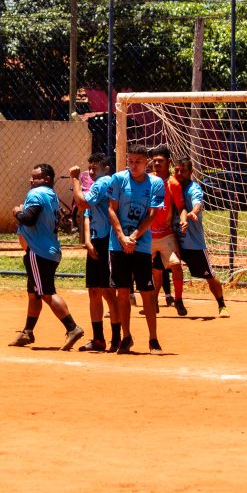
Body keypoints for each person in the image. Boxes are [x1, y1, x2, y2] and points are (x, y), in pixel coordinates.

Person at [9, 163, 85, 351]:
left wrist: (17, 212)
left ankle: (72, 328)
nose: (31, 180)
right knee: (34, 293)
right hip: (47, 250)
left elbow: (28, 218)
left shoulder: (36, 194)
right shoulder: (52, 196)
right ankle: (27, 332)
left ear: (47, 179)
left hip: (39, 251)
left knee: (46, 293)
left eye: (35, 177)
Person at [107, 144, 165, 355]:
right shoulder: (118, 179)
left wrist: (134, 237)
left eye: (138, 162)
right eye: (130, 161)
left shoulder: (156, 183)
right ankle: (126, 336)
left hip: (141, 244)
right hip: (118, 244)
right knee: (122, 291)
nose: (133, 166)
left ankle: (153, 339)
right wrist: (122, 237)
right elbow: (111, 209)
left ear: (146, 162)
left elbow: (152, 215)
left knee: (147, 292)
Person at [69, 153, 117, 352]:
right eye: (89, 168)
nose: (90, 171)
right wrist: (88, 241)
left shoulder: (104, 182)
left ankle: (117, 338)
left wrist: (75, 177)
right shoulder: (96, 186)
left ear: (106, 168)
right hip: (97, 240)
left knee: (108, 291)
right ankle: (99, 339)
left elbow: (82, 203)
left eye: (94, 167)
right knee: (95, 291)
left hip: (107, 240)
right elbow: (87, 214)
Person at [172, 157, 228, 315]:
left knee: (209, 275)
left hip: (193, 244)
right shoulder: (171, 186)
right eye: (177, 170)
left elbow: (198, 203)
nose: (179, 173)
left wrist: (193, 213)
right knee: (157, 267)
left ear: (191, 172)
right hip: (174, 240)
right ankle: (168, 299)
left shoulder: (193, 188)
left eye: (183, 171)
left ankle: (221, 304)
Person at [148, 145, 188, 316]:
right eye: (154, 160)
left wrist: (184, 220)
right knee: (141, 270)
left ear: (168, 162)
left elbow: (181, 208)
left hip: (166, 235)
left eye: (160, 160)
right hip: (147, 234)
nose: (156, 163)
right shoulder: (146, 179)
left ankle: (178, 300)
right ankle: (146, 301)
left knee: (176, 265)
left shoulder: (173, 184)